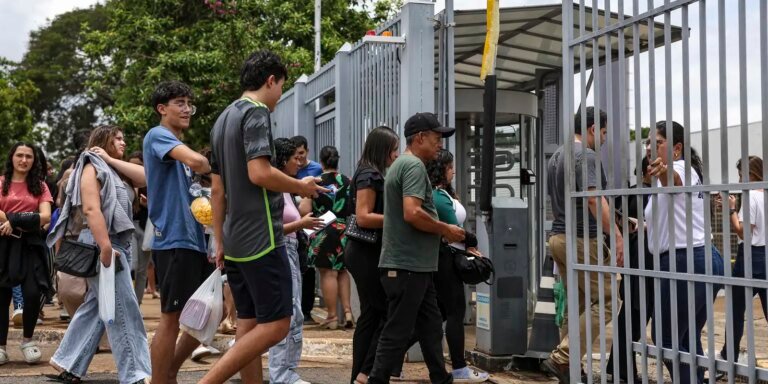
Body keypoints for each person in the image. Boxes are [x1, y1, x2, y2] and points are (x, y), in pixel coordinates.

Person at [202, 50, 327, 384]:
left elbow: (218, 191)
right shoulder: (255, 113)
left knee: (249, 323)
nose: (279, 97)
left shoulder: (222, 119)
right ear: (270, 80)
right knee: (276, 325)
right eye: (281, 87)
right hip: (263, 237)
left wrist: (219, 239)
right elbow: (259, 173)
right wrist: (301, 187)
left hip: (234, 239)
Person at [46, 125, 151, 384]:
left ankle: (69, 363)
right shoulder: (91, 167)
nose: (123, 142)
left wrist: (110, 158)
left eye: (124, 138)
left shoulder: (112, 167)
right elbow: (92, 209)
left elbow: (146, 177)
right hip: (103, 242)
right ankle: (135, 373)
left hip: (116, 243)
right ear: (103, 140)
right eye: (117, 139)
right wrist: (105, 247)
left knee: (97, 307)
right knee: (124, 310)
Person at [365, 112, 463, 384]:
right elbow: (412, 212)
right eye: (436, 137)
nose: (440, 144)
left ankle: (440, 377)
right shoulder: (414, 166)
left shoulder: (403, 164)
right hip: (406, 266)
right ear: (420, 137)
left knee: (431, 327)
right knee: (397, 330)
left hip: (416, 266)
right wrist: (446, 229)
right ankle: (376, 379)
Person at [541, 106, 624, 383]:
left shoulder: (557, 156)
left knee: (578, 304)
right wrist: (615, 232)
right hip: (580, 239)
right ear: (591, 129)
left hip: (558, 238)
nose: (603, 139)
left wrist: (622, 218)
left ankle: (570, 366)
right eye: (602, 132)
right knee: (610, 299)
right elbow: (592, 199)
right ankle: (562, 357)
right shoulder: (585, 155)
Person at [143, 80, 214, 384]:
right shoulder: (159, 135)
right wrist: (218, 167)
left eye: (189, 104)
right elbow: (198, 161)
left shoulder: (173, 146)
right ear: (162, 109)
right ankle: (160, 379)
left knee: (206, 316)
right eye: (180, 103)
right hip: (173, 239)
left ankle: (169, 371)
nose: (187, 109)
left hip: (193, 240)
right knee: (171, 318)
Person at [645, 120, 724, 384]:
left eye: (657, 142)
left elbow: (674, 180)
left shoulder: (680, 169)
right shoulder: (675, 174)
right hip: (700, 258)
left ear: (676, 148)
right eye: (647, 142)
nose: (649, 147)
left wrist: (663, 171)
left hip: (685, 260)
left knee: (665, 338)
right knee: (686, 336)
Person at [427, 149, 489, 383]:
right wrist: (471, 241)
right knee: (455, 312)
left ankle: (390, 363)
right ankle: (460, 369)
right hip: (446, 261)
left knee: (438, 314)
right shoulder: (438, 196)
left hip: (448, 257)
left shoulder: (442, 193)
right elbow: (454, 230)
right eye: (450, 166)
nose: (453, 170)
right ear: (441, 169)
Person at [345, 126, 399, 384]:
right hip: (365, 252)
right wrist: (397, 219)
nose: (396, 155)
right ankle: (365, 373)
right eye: (394, 150)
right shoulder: (369, 175)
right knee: (386, 310)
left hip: (364, 252)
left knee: (371, 314)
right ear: (383, 150)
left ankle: (361, 375)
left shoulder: (369, 172)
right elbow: (364, 217)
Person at [268, 137, 324, 383]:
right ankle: (281, 373)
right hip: (281, 249)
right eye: (294, 158)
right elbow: (270, 228)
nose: (299, 162)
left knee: (295, 312)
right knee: (288, 313)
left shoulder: (286, 187)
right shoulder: (274, 187)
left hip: (290, 249)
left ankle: (287, 369)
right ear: (282, 161)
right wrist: (301, 224)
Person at [0, 142, 53, 365]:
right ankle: (1, 347)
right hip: (3, 245)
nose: (24, 160)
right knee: (1, 296)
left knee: (32, 293)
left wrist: (13, 220)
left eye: (29, 156)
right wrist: (23, 219)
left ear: (34, 160)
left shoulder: (40, 186)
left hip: (31, 246)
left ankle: (28, 340)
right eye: (19, 155)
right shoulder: (1, 182)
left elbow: (46, 216)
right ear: (12, 158)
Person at [605, 155, 654, 383]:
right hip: (646, 263)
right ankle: (623, 369)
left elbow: (616, 221)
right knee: (635, 318)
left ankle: (618, 367)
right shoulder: (649, 195)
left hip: (632, 261)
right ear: (646, 171)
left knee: (630, 315)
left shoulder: (629, 194)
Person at [300, 145, 354, 329]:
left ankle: (331, 316)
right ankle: (347, 311)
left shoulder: (315, 181)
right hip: (343, 228)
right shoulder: (348, 181)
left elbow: (305, 210)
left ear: (321, 162)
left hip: (323, 229)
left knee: (327, 272)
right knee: (342, 270)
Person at [718, 156, 766, 363]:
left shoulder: (751, 196)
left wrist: (731, 210)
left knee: (736, 310)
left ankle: (730, 356)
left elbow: (743, 232)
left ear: (751, 174)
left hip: (749, 257)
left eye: (741, 174)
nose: (739, 180)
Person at [292, 135, 323, 325]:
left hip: (309, 223)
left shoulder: (316, 169)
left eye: (302, 154)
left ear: (307, 151)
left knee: (308, 267)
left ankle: (307, 309)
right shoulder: (288, 171)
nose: (299, 159)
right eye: (295, 155)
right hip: (293, 223)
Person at [126, 151, 152, 305]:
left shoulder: (149, 183)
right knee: (131, 266)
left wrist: (147, 205)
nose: (135, 168)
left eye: (139, 165)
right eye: (131, 165)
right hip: (129, 229)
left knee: (142, 269)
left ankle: (137, 303)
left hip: (145, 228)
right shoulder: (123, 183)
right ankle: (128, 302)